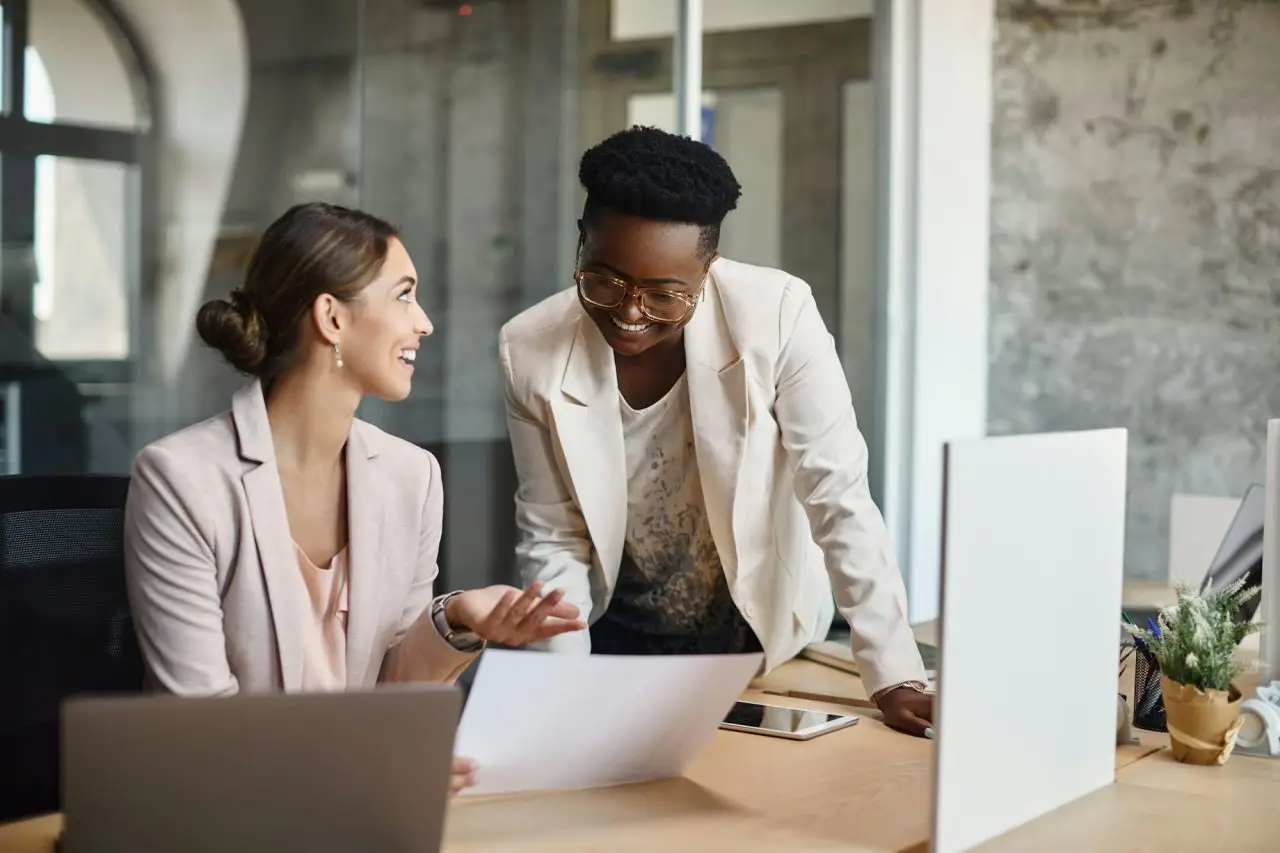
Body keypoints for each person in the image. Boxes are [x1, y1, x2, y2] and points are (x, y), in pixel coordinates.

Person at [123, 202, 586, 795]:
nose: (424, 323)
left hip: (358, 811)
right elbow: (202, 725)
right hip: (229, 814)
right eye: (403, 295)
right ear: (332, 318)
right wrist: (360, 770)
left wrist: (457, 618)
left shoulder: (410, 476)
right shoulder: (181, 479)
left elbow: (391, 695)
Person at [498, 127, 932, 737]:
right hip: (612, 648)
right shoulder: (530, 349)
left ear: (708, 269)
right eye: (604, 281)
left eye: (664, 296)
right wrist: (566, 687)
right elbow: (553, 537)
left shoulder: (778, 314)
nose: (629, 313)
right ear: (581, 241)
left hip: (756, 647)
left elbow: (837, 498)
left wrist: (895, 673)